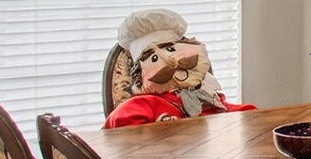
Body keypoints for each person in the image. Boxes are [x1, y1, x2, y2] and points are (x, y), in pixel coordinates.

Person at [103, 8, 255, 128]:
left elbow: (226, 113)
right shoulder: (141, 105)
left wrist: (254, 117)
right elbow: (122, 131)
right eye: (154, 58)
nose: (172, 61)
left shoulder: (204, 94)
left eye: (172, 50)